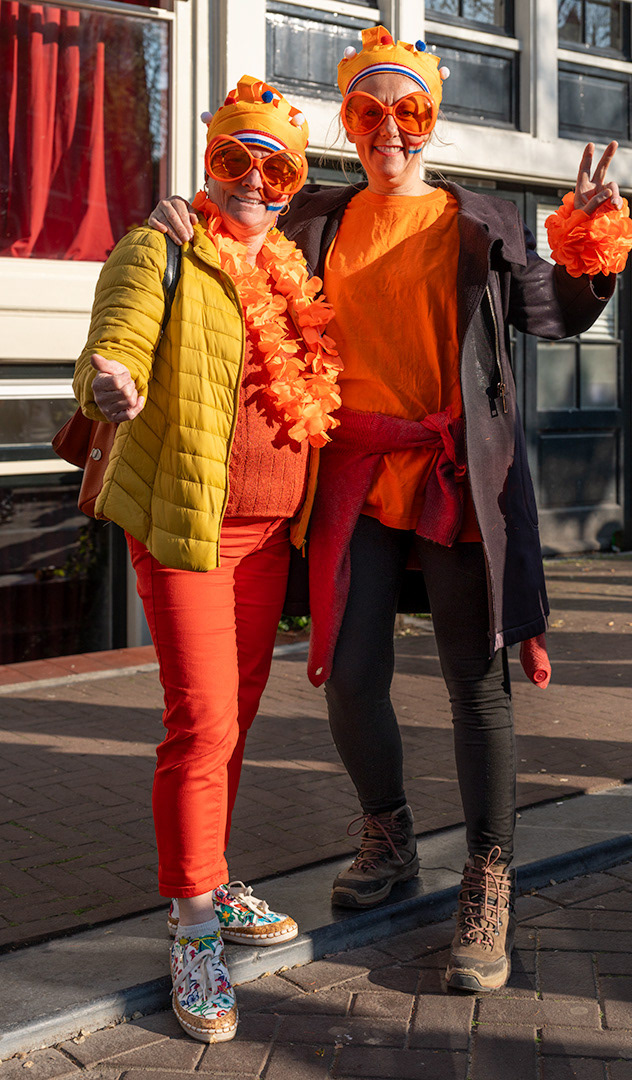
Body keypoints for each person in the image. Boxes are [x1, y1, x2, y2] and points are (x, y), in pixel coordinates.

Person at [149, 28, 632, 994]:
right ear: (348, 121)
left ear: (431, 119)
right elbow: (239, 226)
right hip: (351, 477)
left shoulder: (479, 221)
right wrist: (175, 218)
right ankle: (389, 834)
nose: (389, 131)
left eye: (408, 111)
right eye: (369, 112)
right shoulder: (313, 218)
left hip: (455, 473)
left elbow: (557, 314)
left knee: (474, 682)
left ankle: (488, 879)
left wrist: (588, 239)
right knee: (348, 673)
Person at [73, 76, 341, 1042]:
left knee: (237, 721)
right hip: (188, 524)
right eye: (235, 160)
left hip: (271, 534)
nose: (254, 184)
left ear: (295, 182)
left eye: (276, 170)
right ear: (208, 161)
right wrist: (110, 379)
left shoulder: (293, 268)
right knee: (202, 724)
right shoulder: (161, 246)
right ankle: (191, 929)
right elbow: (117, 336)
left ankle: (214, 877)